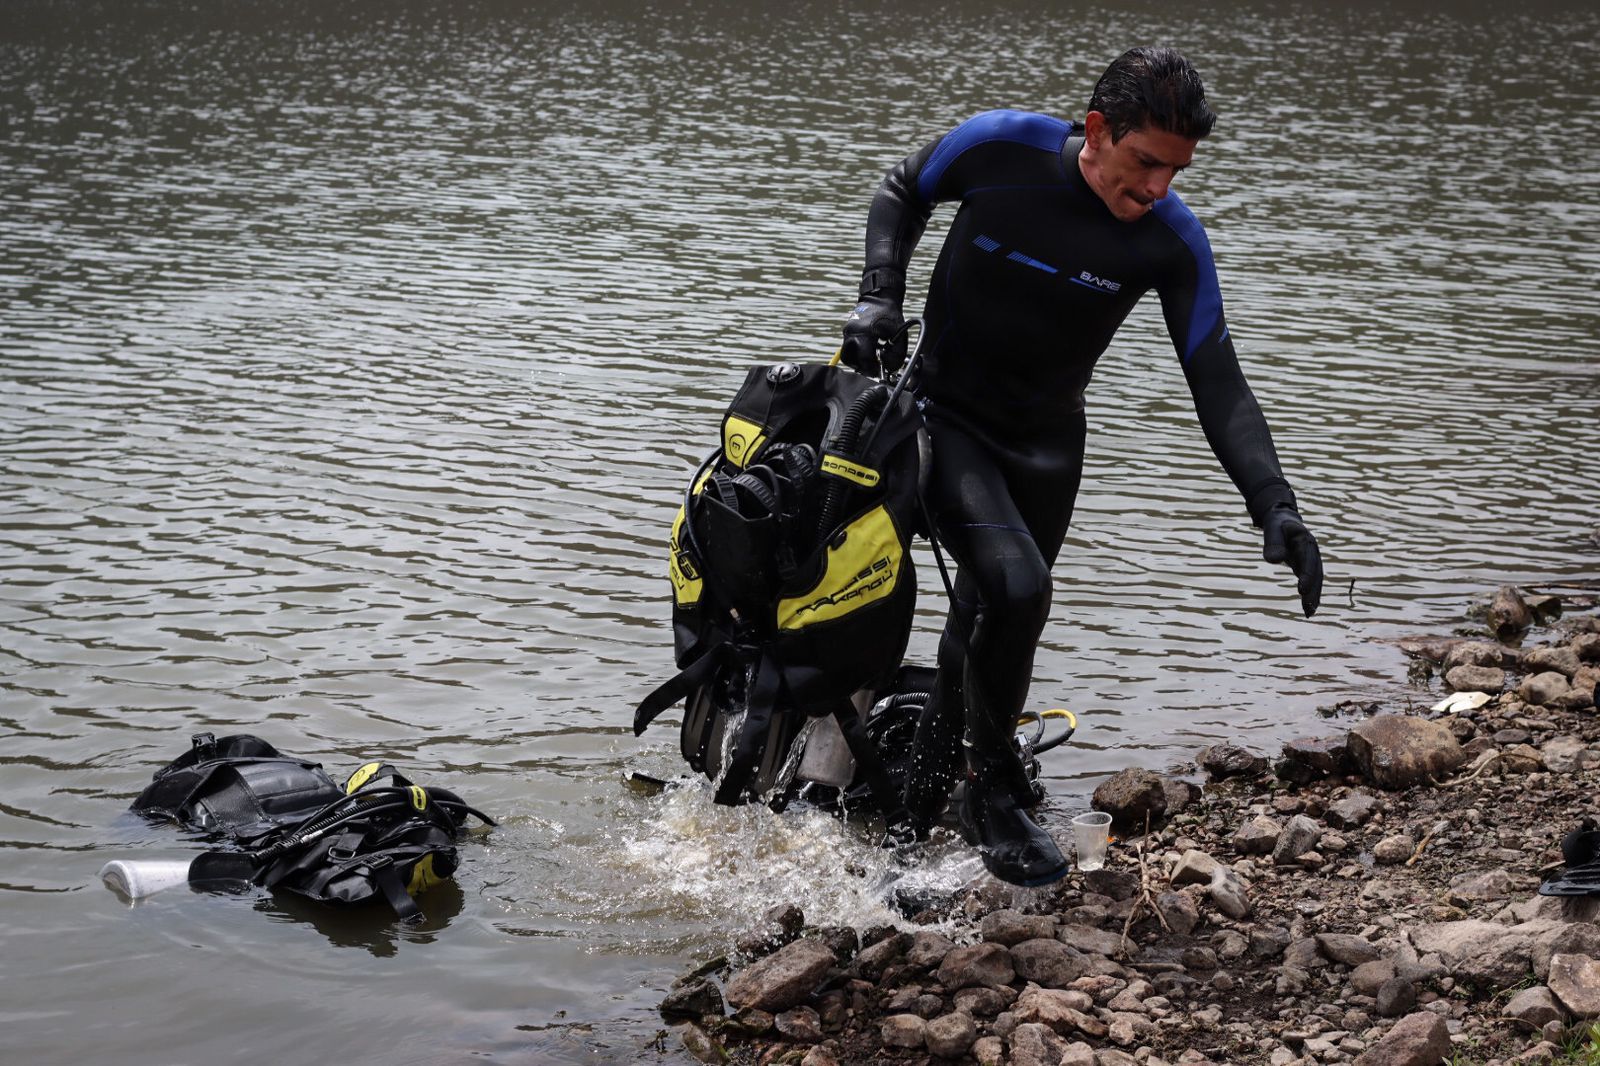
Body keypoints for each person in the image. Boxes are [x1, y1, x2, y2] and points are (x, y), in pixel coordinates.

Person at [839, 46, 1324, 886]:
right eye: (1145, 163)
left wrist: (1274, 505)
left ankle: (908, 834)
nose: (1158, 190)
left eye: (1177, 171)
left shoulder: (1171, 241)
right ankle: (989, 790)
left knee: (984, 629)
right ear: (1097, 130)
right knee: (1017, 588)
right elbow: (901, 189)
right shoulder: (1001, 149)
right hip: (943, 418)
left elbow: (1219, 380)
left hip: (1046, 447)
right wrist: (879, 290)